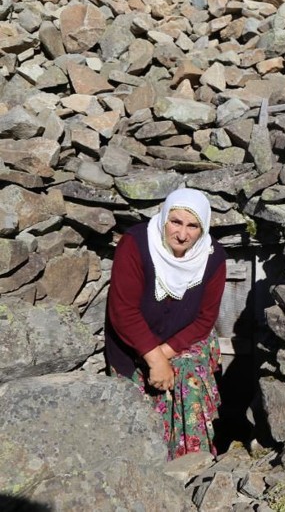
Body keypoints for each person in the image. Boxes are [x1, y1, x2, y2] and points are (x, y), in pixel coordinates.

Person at [105, 188, 227, 459]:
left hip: (187, 339)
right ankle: (151, 474)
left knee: (189, 377)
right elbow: (123, 311)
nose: (182, 234)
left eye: (193, 226)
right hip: (131, 345)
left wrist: (163, 356)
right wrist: (153, 359)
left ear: (203, 227)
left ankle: (194, 465)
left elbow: (205, 318)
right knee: (139, 413)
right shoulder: (136, 244)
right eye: (176, 222)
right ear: (164, 218)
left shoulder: (213, 256)